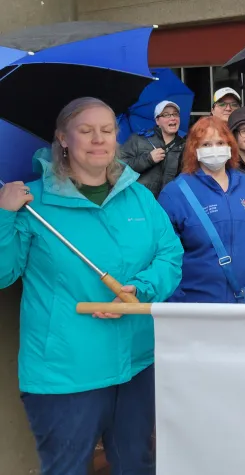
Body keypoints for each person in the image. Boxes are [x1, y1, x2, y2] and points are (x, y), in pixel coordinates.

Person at [0, 97, 183, 475]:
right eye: (86, 131)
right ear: (63, 139)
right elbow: (4, 273)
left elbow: (170, 255)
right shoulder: (33, 203)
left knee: (137, 464)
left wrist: (140, 288)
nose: (98, 139)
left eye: (107, 130)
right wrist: (4, 216)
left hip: (137, 362)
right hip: (66, 372)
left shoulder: (139, 197)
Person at [158, 116, 245, 304]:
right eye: (206, 144)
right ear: (194, 150)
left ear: (230, 146)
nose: (214, 149)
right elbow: (164, 254)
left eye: (220, 142)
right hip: (199, 305)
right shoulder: (175, 193)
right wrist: (178, 302)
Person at [120, 99, 186, 197]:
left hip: (167, 205)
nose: (172, 118)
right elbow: (119, 167)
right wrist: (148, 159)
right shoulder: (138, 139)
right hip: (140, 202)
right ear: (157, 120)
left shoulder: (185, 146)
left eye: (175, 114)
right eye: (166, 115)